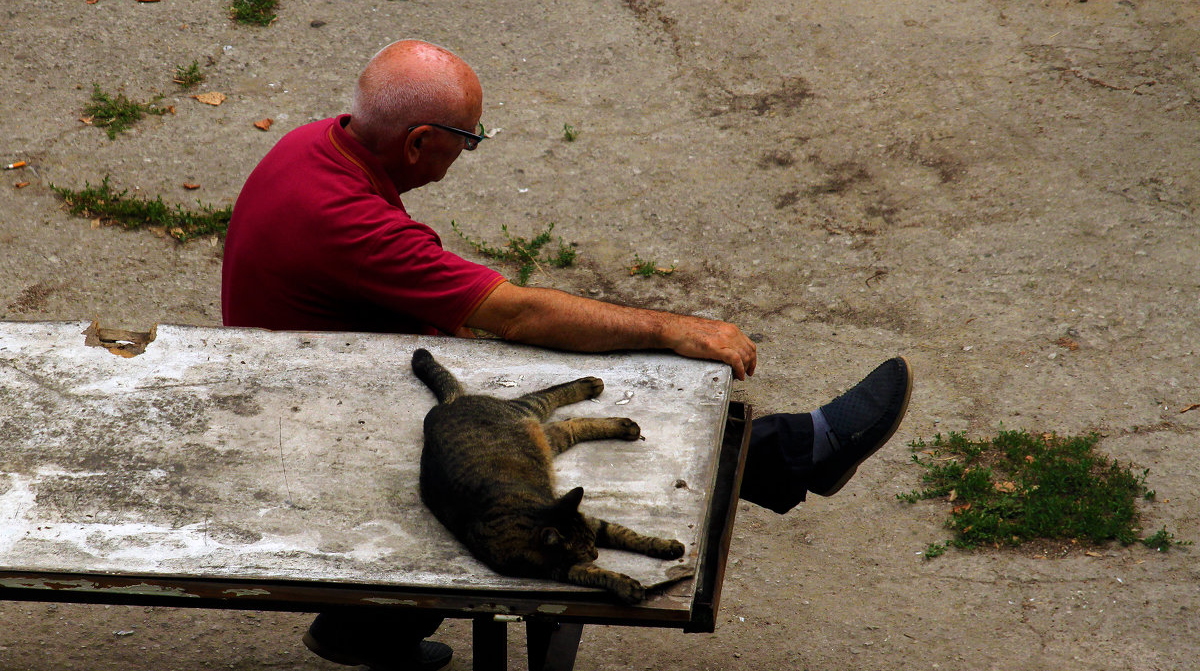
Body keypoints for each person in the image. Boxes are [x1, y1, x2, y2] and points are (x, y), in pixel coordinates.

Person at [222, 40, 911, 671]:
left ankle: (367, 630)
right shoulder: (348, 220)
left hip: (313, 382)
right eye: (468, 139)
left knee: (548, 406)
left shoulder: (314, 146)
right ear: (419, 142)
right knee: (595, 415)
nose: (469, 150)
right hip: (327, 429)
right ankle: (799, 454)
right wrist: (671, 328)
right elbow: (517, 311)